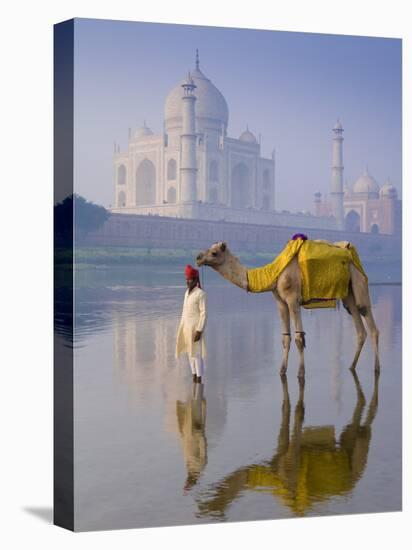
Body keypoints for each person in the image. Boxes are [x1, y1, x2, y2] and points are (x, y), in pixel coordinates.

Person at [175, 265, 207, 383]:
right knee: (189, 352)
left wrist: (199, 330)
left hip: (195, 328)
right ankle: (194, 376)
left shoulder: (200, 294)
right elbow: (184, 312)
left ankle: (199, 379)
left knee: (196, 354)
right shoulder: (186, 293)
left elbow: (204, 313)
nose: (188, 282)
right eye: (187, 279)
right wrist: (181, 327)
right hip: (186, 327)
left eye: (190, 279)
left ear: (195, 280)